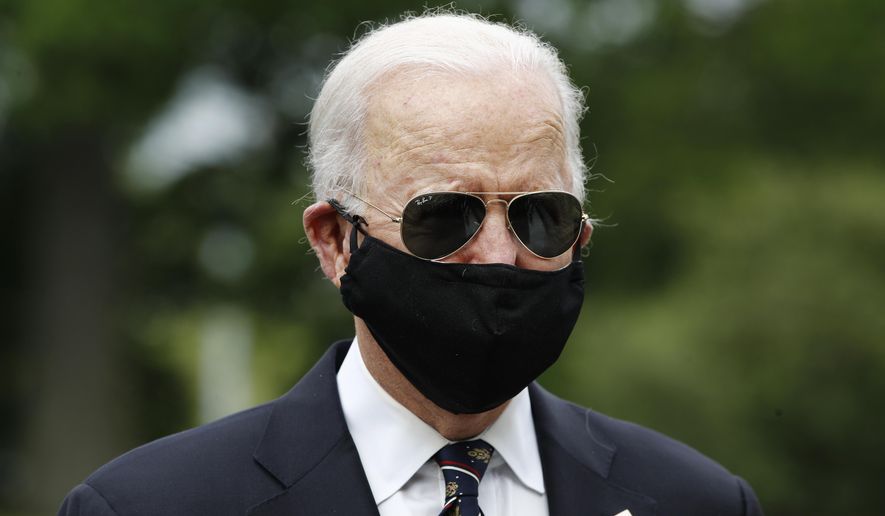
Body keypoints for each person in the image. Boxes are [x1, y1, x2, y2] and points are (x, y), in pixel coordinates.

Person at [59, 12, 763, 516]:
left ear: (580, 235)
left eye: (538, 216)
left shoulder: (692, 499)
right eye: (443, 216)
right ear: (336, 240)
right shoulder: (151, 505)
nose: (496, 253)